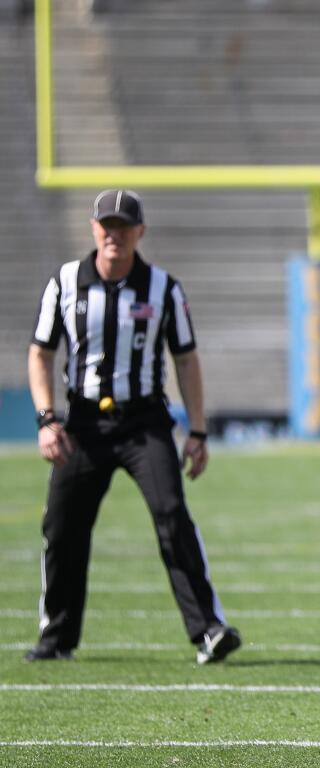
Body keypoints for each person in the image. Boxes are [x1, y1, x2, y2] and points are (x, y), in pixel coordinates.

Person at [25, 189, 241, 665]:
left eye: (124, 226)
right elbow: (41, 353)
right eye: (106, 224)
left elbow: (186, 359)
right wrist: (46, 420)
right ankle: (56, 636)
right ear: (93, 228)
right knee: (61, 525)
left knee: (171, 515)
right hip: (82, 423)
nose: (114, 234)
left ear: (140, 232)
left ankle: (208, 630)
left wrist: (198, 431)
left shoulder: (163, 288)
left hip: (144, 422)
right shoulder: (64, 283)